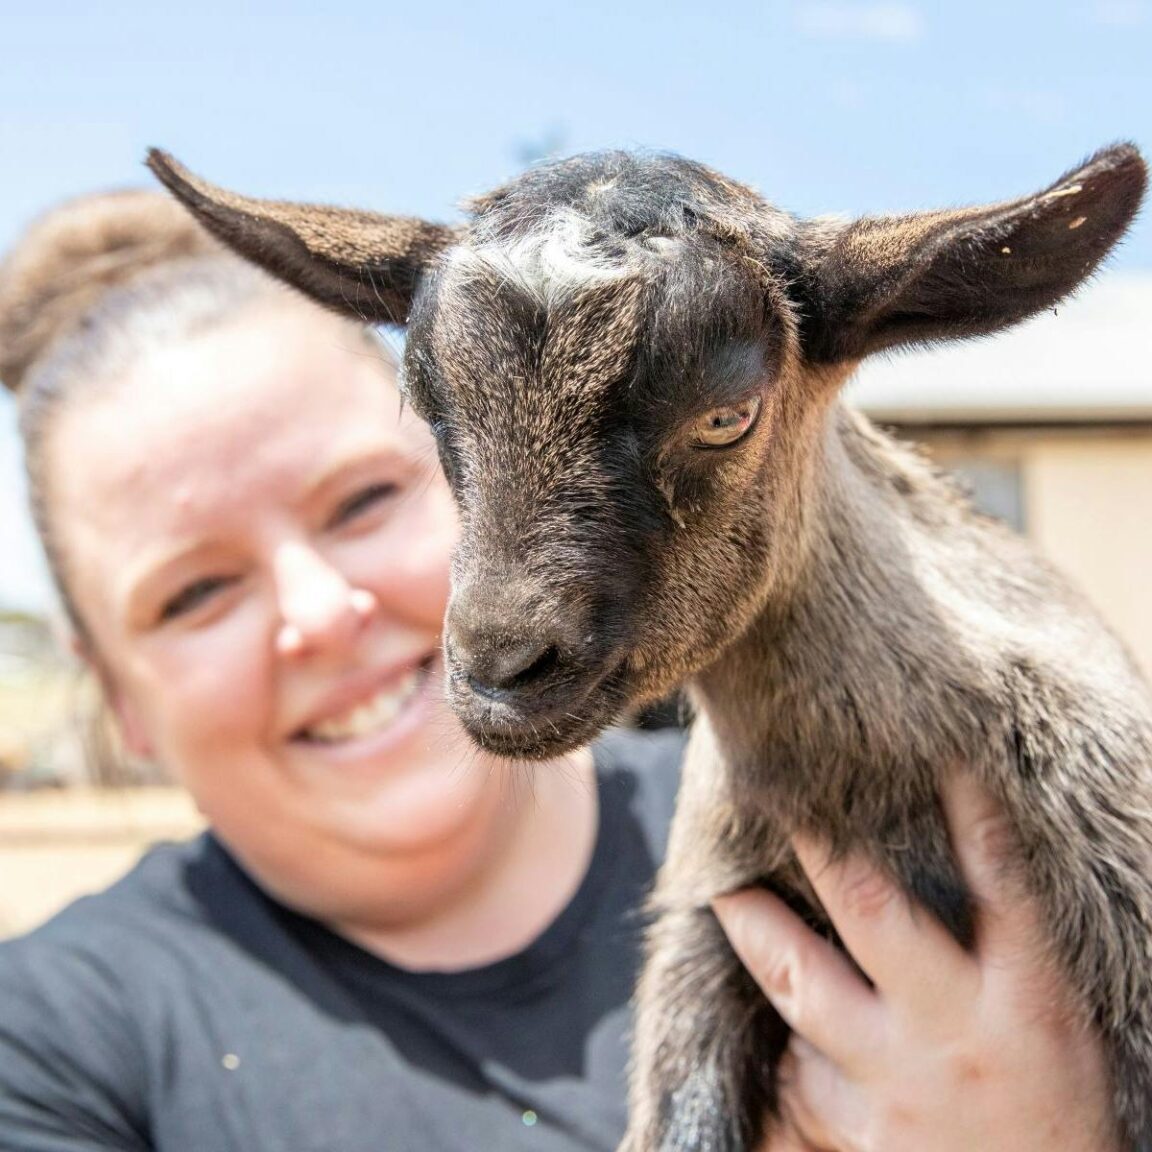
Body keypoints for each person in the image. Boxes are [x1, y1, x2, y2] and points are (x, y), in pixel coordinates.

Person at [0, 190, 1117, 1152]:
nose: (321, 616)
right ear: (112, 692)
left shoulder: (856, 790)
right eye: (193, 595)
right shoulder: (52, 1051)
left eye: (364, 501)